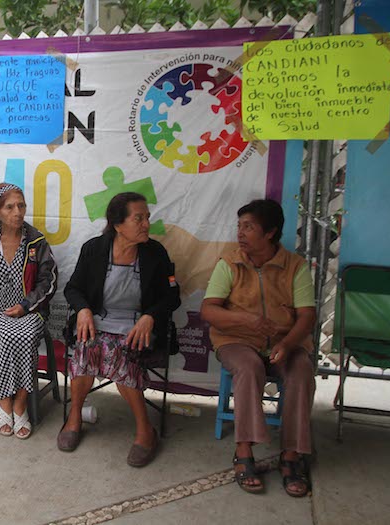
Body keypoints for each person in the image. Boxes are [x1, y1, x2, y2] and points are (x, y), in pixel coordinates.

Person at [200, 198, 315, 497]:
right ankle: (244, 452)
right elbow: (209, 311)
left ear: (270, 233)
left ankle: (291, 455)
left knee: (301, 370)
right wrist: (245, 319)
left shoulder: (295, 266)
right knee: (249, 367)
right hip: (236, 340)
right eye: (239, 226)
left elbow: (307, 316)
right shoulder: (230, 264)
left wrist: (287, 343)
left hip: (285, 341)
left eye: (248, 227)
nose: (240, 233)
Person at [59, 192, 180, 467]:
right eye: (139, 218)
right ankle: (74, 417)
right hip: (100, 319)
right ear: (117, 224)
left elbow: (173, 295)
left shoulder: (155, 253)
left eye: (147, 217)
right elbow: (73, 288)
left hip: (137, 325)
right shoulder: (94, 249)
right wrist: (83, 309)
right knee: (86, 347)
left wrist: (150, 316)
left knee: (118, 351)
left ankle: (145, 432)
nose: (146, 224)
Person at [0, 184, 58, 439]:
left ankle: (20, 402)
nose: (18, 212)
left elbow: (49, 280)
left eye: (21, 205)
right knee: (6, 335)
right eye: (10, 207)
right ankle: (4, 400)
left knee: (23, 334)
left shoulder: (35, 240)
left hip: (30, 308)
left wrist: (25, 305)